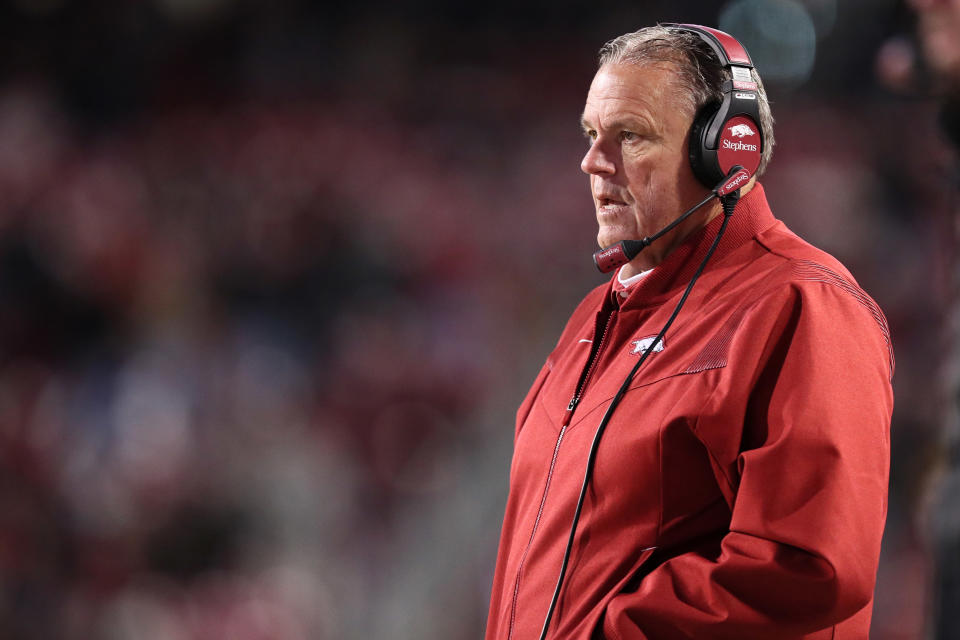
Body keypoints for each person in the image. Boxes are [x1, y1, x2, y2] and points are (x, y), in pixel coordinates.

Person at [485, 24, 894, 640]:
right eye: (593, 134)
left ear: (728, 150)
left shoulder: (800, 305)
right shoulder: (595, 317)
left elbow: (808, 565)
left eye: (631, 137)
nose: (593, 162)